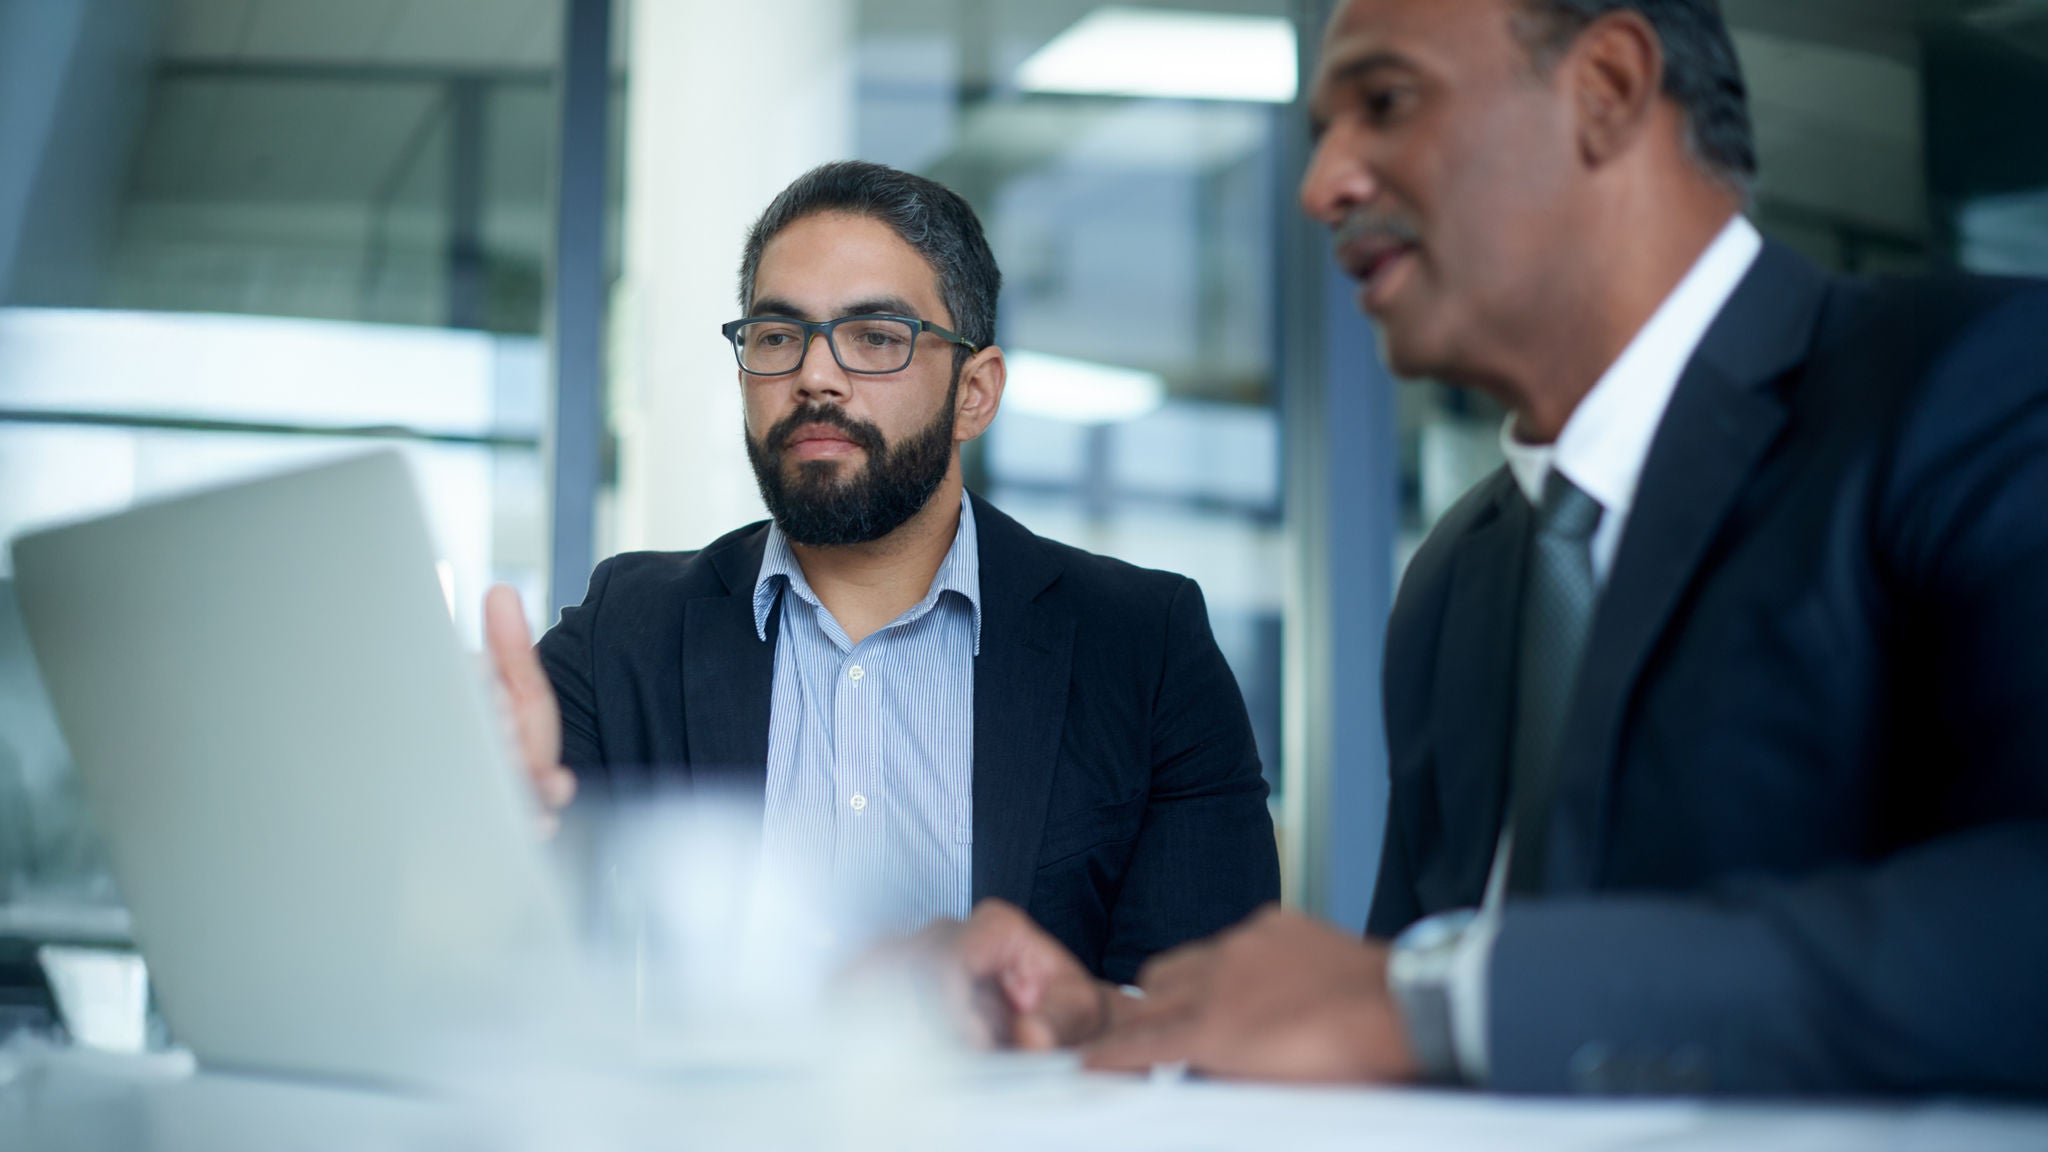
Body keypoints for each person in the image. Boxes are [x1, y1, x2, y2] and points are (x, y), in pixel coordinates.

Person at [932, 0, 2048, 1096]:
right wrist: (1140, 1031)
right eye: (1324, 131)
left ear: (1605, 88)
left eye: (1385, 100)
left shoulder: (1979, 393)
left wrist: (1440, 1001)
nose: (1323, 185)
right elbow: (1388, 1029)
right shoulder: (1457, 578)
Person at [484, 161, 1279, 978]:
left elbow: (1208, 1011)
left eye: (875, 338)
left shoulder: (1144, 649)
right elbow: (481, 923)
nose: (815, 377)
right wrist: (488, 805)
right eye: (778, 336)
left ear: (975, 391)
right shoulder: (627, 629)